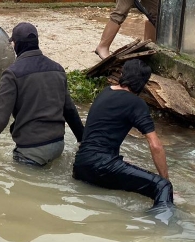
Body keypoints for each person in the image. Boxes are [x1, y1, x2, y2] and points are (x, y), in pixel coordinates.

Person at [0, 22, 85, 166]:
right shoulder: (57, 69)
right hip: (58, 145)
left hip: (32, 151)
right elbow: (69, 110)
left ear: (16, 45)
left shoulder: (11, 74)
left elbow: (0, 118)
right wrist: (83, 140)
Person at [72, 59, 173, 210]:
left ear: (122, 74)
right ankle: (161, 223)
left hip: (81, 167)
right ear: (144, 84)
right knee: (163, 187)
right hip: (102, 167)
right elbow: (155, 145)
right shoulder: (136, 103)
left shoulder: (105, 92)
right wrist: (165, 180)